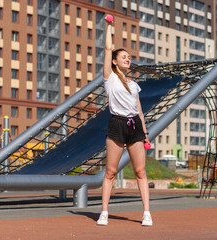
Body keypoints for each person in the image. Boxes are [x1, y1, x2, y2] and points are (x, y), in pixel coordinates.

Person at [96, 17, 152, 227]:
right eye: (124, 57)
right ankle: (104, 212)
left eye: (129, 57)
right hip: (117, 124)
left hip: (135, 127)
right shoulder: (109, 77)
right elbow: (108, 47)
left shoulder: (134, 84)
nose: (128, 59)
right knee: (110, 172)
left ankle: (146, 213)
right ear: (114, 61)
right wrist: (109, 26)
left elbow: (139, 110)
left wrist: (145, 134)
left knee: (140, 171)